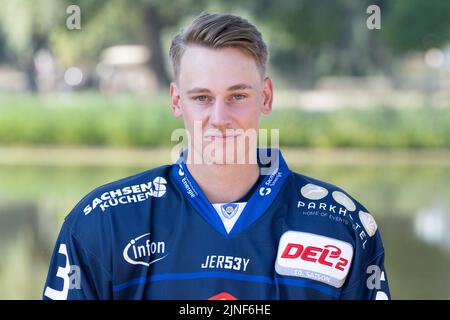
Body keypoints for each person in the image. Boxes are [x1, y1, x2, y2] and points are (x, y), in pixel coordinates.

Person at [43, 12, 390, 300]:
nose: (220, 118)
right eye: (202, 98)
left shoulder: (342, 225)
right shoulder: (103, 222)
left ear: (266, 96)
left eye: (237, 96)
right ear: (177, 100)